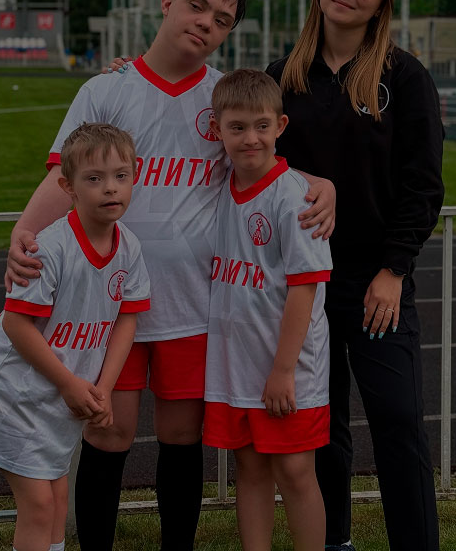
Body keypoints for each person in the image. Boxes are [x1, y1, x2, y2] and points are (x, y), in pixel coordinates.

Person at [5, 0, 335, 550]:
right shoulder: (106, 90)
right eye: (197, 6)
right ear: (168, 3)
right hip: (112, 304)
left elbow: (266, 161)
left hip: (194, 304)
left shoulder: (223, 97)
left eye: (223, 19)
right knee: (109, 432)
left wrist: (323, 184)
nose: (206, 23)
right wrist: (24, 233)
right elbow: (62, 175)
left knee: (181, 437)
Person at [265, 0, 444, 551]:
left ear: (380, 3)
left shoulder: (405, 77)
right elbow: (240, 143)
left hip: (375, 284)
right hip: (301, 286)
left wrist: (394, 269)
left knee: (397, 420)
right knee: (322, 426)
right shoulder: (282, 77)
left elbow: (423, 185)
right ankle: (333, 541)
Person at [0, 123, 150, 551]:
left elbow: (126, 320)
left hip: (62, 392)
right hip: (16, 389)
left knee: (59, 499)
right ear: (68, 187)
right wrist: (69, 383)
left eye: (121, 176)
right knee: (40, 505)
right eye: (94, 178)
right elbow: (15, 324)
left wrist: (104, 389)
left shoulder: (130, 248)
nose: (110, 188)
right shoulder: (51, 247)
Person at [203, 69, 333, 551]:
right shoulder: (219, 185)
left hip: (288, 365)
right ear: (217, 130)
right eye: (237, 127)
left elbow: (305, 288)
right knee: (251, 467)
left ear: (280, 125)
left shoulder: (294, 196)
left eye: (261, 126)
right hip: (237, 362)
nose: (250, 138)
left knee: (295, 471)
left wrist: (283, 371)